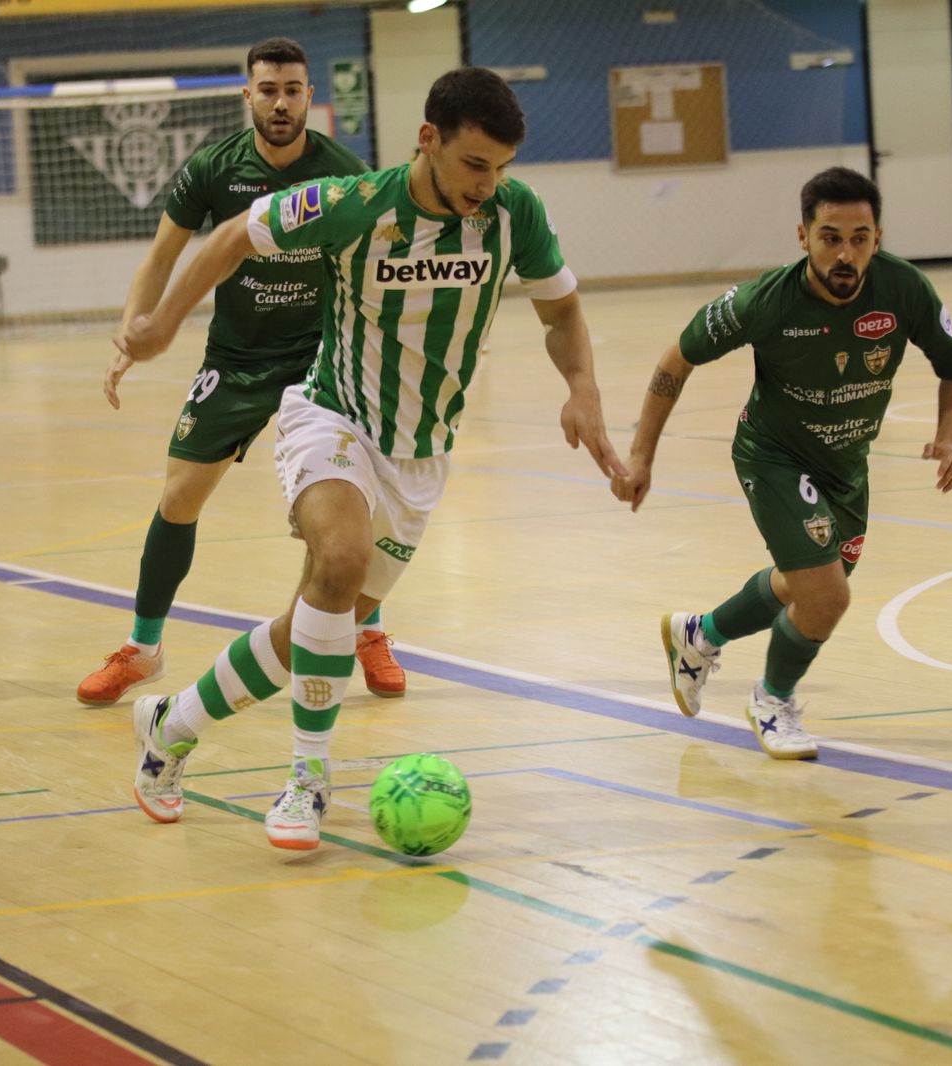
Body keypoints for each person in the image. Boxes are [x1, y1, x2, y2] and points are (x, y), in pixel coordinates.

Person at [115, 67, 627, 849]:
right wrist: (159, 327)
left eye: (500, 168)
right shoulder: (354, 204)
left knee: (313, 625)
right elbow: (232, 235)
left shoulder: (514, 214)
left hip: (420, 455)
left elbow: (560, 312)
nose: (486, 185)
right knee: (342, 557)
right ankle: (308, 781)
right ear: (428, 140)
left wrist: (582, 387)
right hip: (332, 415)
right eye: (474, 164)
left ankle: (172, 723)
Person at [77, 37, 410, 708]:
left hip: (323, 357)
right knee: (179, 498)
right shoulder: (213, 169)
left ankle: (367, 630)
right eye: (268, 90)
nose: (280, 103)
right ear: (247, 96)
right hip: (237, 358)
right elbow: (161, 258)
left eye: (292, 90)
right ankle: (144, 649)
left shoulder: (343, 172)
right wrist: (135, 329)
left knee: (357, 499)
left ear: (309, 96)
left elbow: (384, 263)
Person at [611, 166, 952, 760]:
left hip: (846, 467)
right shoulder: (764, 302)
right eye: (830, 237)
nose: (845, 254)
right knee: (827, 597)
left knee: (806, 585)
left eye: (859, 238)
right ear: (803, 236)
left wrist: (949, 439)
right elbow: (676, 360)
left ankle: (700, 634)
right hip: (773, 456)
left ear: (878, 239)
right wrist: (640, 457)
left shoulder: (904, 289)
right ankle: (772, 702)